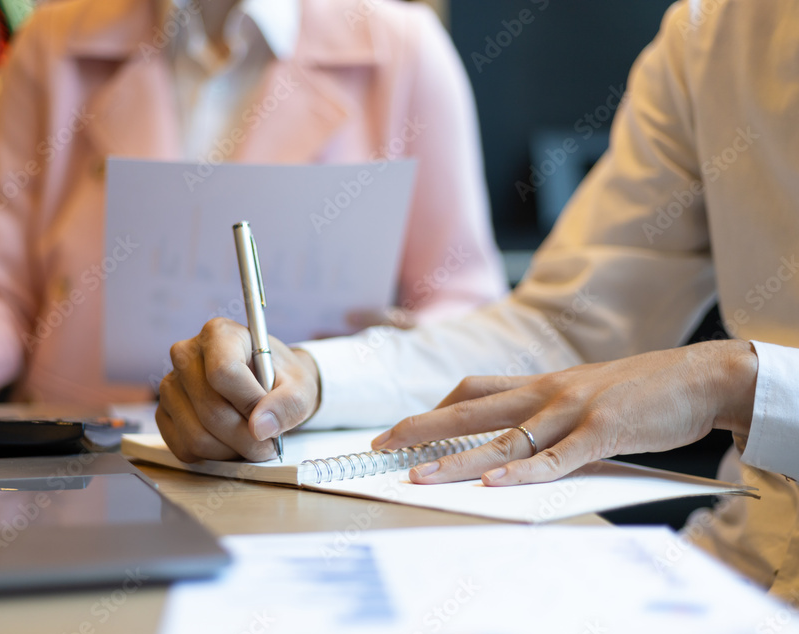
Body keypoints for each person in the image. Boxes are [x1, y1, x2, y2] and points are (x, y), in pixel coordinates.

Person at [157, 0, 799, 600]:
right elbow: (563, 329)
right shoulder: (713, 29)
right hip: (743, 564)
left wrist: (742, 382)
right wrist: (314, 376)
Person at [0, 0, 505, 415]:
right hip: (81, 465)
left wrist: (367, 364)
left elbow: (467, 311)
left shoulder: (405, 52)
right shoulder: (53, 43)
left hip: (301, 460)